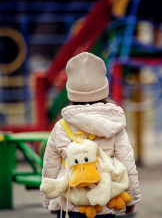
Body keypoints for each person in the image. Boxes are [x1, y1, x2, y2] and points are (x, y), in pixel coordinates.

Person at [41, 52, 141, 218]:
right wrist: (131, 198)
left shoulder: (60, 127)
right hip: (104, 202)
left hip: (69, 203)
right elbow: (127, 164)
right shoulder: (115, 125)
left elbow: (50, 167)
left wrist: (50, 200)